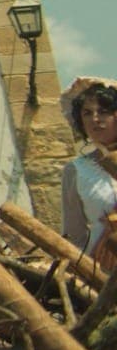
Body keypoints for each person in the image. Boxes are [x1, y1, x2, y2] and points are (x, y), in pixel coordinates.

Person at [60, 76, 117, 266]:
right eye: (87, 113)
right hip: (105, 270)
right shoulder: (76, 170)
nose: (95, 119)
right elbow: (75, 235)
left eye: (103, 111)